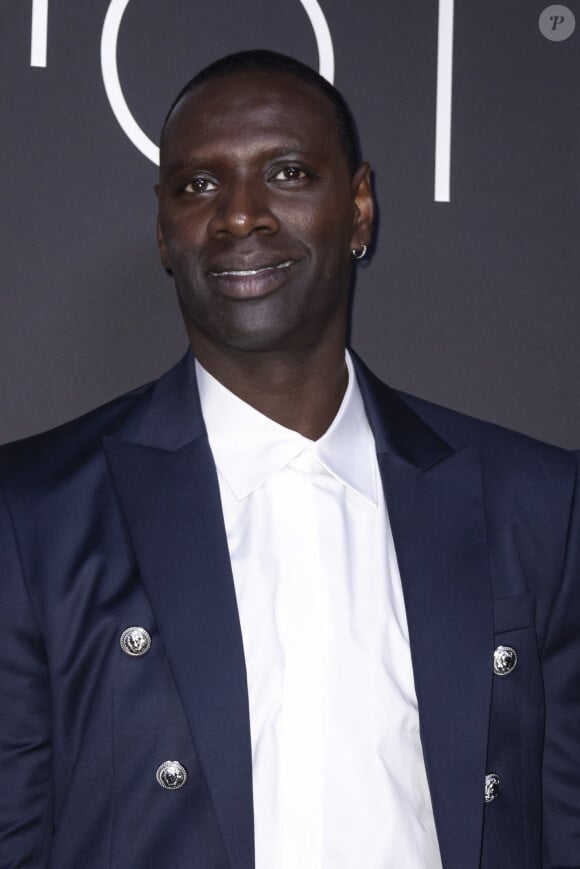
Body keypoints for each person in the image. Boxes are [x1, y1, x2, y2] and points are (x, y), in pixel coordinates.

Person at [0, 49, 579, 869]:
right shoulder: (31, 515)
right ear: (165, 229)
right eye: (199, 185)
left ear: (362, 207)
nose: (241, 215)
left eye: (288, 172)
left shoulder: (534, 502)